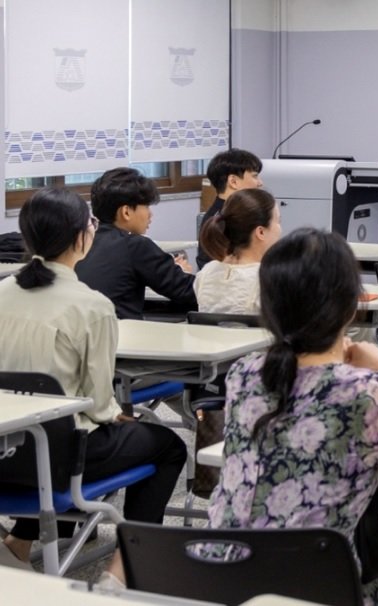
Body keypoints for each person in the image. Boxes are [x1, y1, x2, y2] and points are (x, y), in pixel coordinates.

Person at [206, 228, 378, 605]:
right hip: (315, 592)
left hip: (222, 583)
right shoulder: (367, 392)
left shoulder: (244, 374)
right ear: (351, 307)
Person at [0, 187, 187, 583]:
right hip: (58, 460)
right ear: (81, 237)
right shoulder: (92, 306)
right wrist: (118, 415)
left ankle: (17, 545)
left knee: (54, 429)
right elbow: (99, 404)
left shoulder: (1, 292)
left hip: (5, 453)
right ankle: (126, 566)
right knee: (167, 445)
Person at [75, 167, 197, 319]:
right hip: (123, 336)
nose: (150, 214)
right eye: (146, 206)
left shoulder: (82, 242)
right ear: (126, 212)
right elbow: (188, 291)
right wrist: (182, 273)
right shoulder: (135, 246)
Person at [194, 189, 282, 315]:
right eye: (278, 221)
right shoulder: (270, 279)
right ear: (261, 232)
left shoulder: (205, 274)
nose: (280, 228)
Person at [197, 148, 264, 269]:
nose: (260, 183)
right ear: (233, 181)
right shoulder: (225, 219)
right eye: (255, 176)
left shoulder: (231, 212)